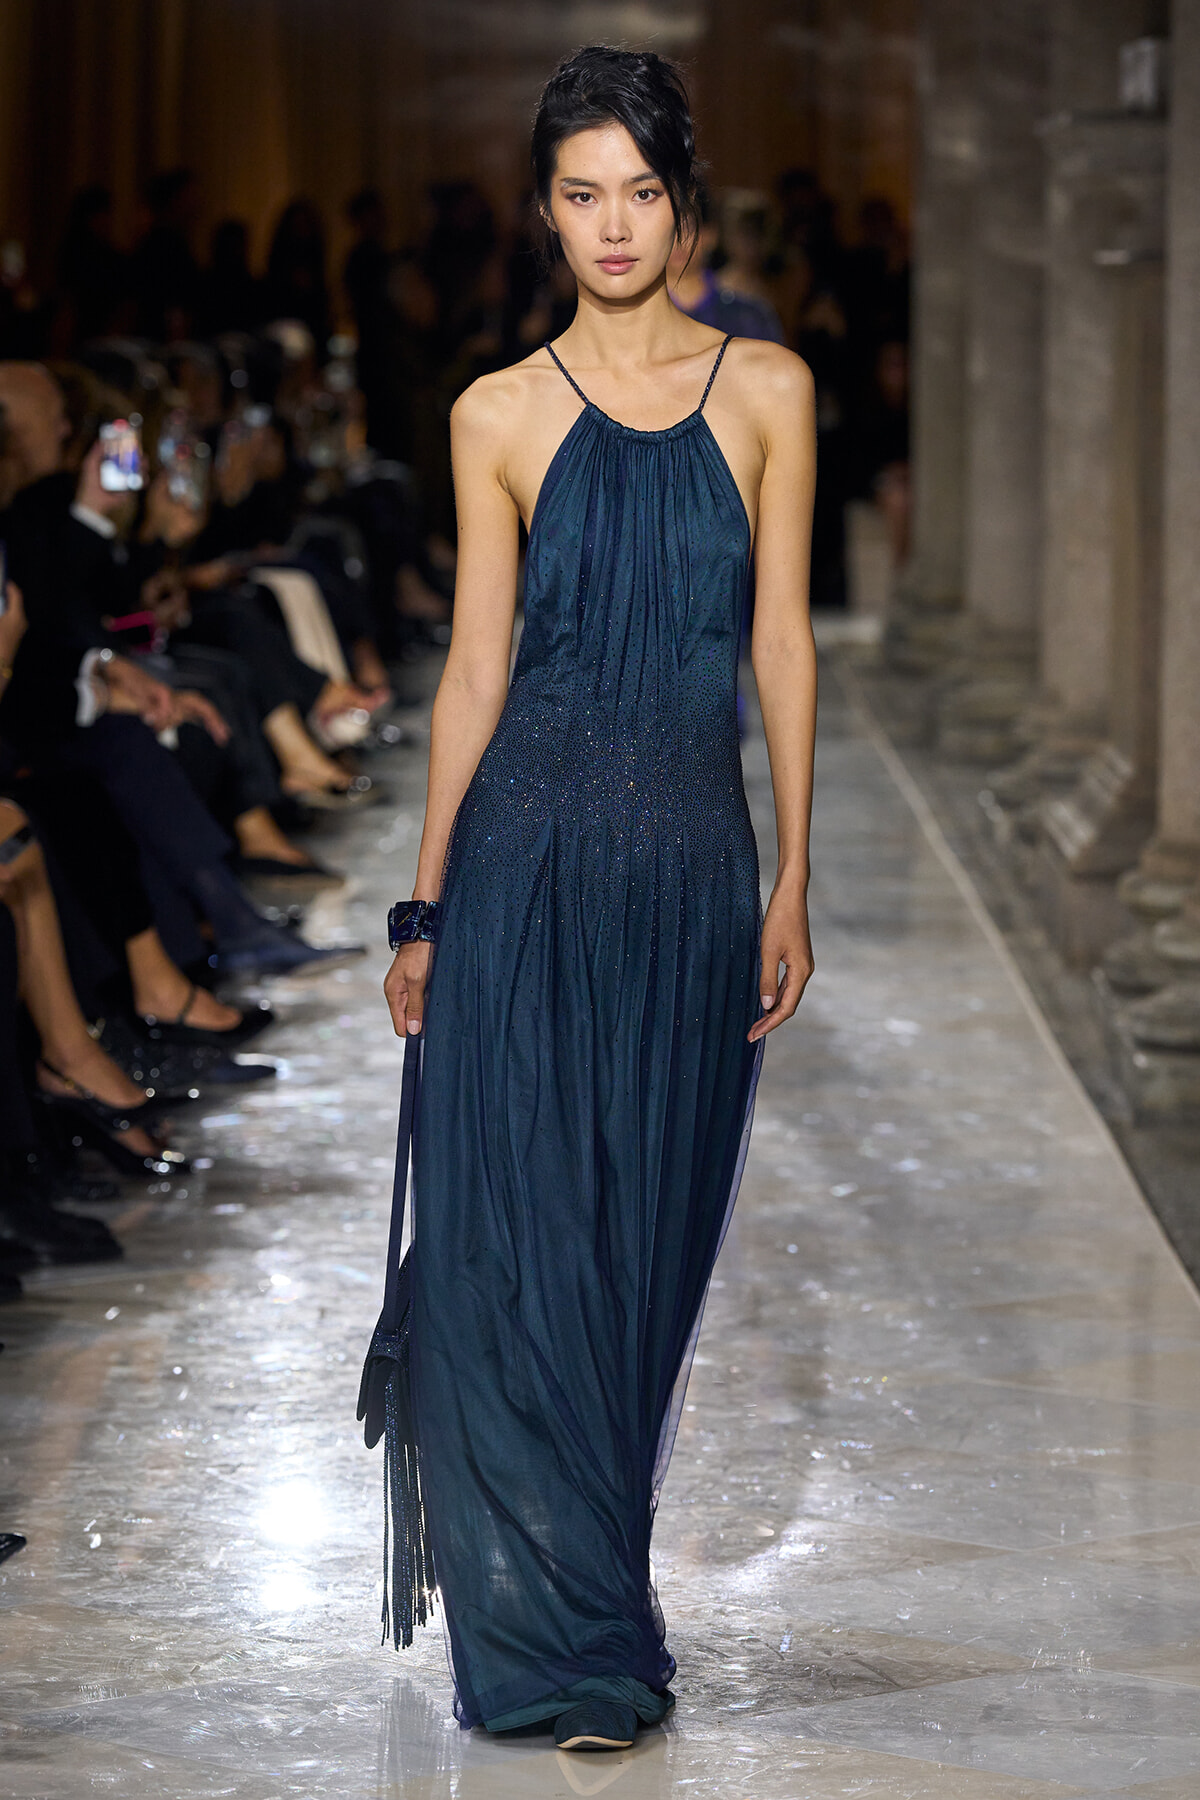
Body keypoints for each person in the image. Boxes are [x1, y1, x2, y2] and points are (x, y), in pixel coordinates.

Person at [380, 46, 817, 1754]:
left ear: (681, 196)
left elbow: (779, 642)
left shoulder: (766, 389)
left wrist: (799, 864)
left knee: (641, 1253)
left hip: (694, 874)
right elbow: (474, 672)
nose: (611, 223)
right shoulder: (496, 411)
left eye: (639, 188)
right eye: (580, 192)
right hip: (526, 865)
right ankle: (575, 1640)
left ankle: (601, 1581)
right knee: (521, 1249)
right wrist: (424, 910)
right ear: (544, 206)